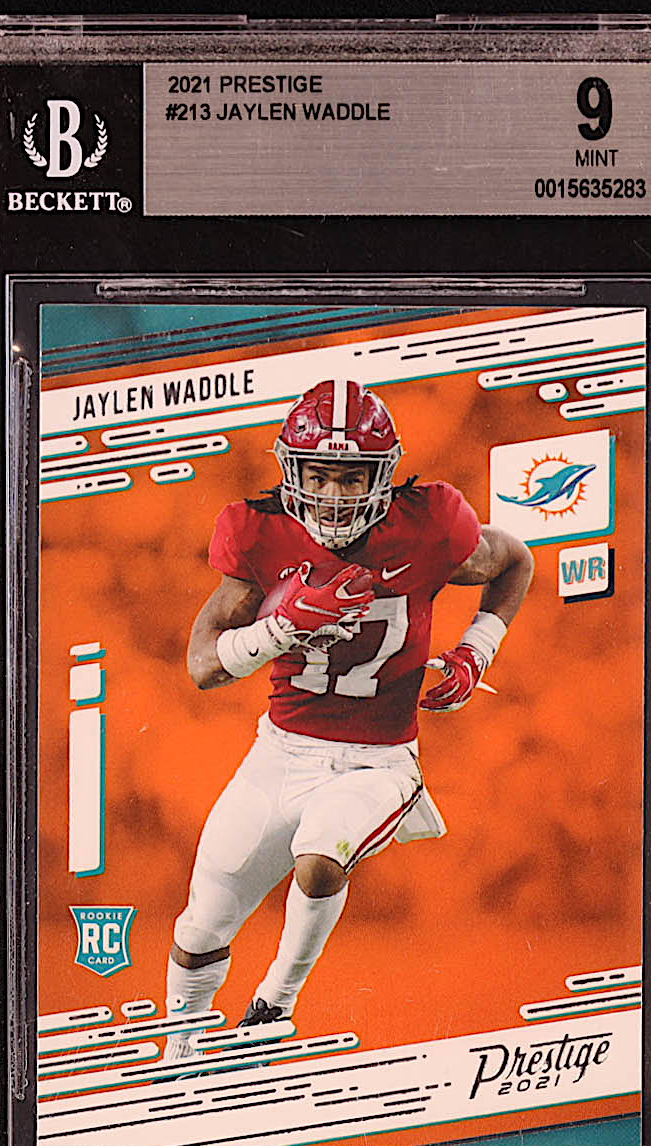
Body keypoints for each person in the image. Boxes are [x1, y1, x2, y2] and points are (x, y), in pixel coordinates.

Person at [164, 379, 534, 1057]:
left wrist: (476, 651)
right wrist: (278, 629)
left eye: (351, 477)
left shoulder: (427, 525)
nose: (333, 495)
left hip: (377, 761)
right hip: (280, 753)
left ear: (382, 477)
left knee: (320, 855)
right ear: (293, 472)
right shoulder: (261, 533)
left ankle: (273, 1007)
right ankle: (179, 1055)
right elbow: (202, 667)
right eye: (319, 476)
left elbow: (515, 560)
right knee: (199, 928)